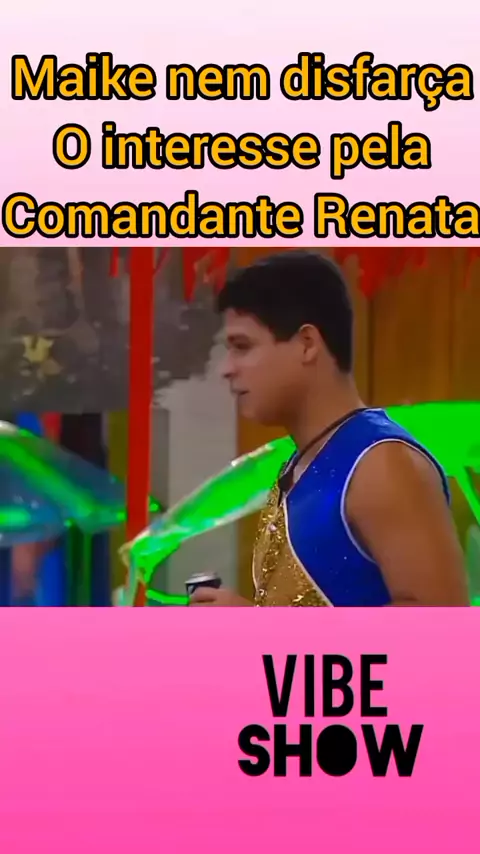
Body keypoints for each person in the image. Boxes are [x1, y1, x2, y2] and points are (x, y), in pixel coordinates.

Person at [190, 251, 469, 607]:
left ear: (307, 344)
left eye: (242, 347)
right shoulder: (299, 464)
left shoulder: (381, 464)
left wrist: (261, 627)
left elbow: (438, 624)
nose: (226, 368)